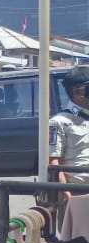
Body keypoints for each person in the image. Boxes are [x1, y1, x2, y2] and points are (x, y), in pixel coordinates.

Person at [49, 65, 89, 214]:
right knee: (76, 236)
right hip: (76, 191)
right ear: (77, 92)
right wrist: (66, 194)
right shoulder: (59, 122)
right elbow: (54, 161)